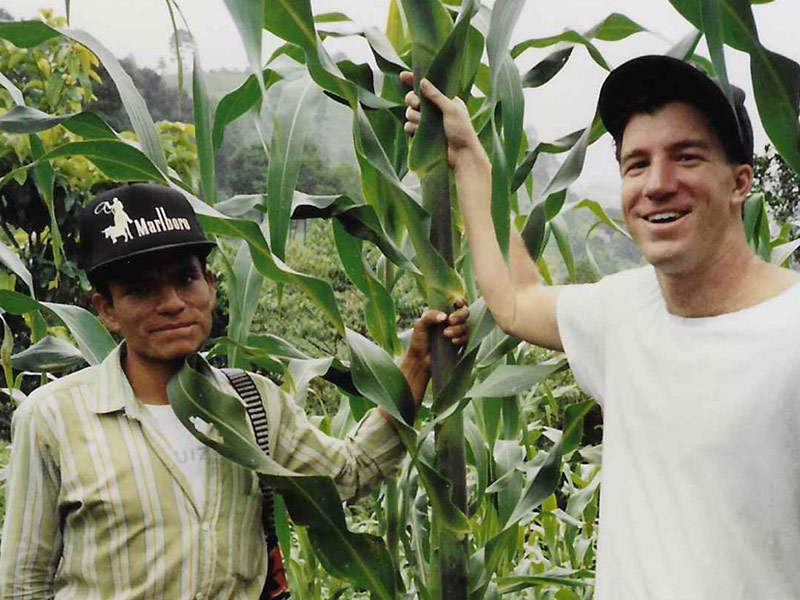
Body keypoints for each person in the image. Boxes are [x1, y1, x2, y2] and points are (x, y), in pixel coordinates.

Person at [402, 55, 800, 599]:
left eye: (686, 156)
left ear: (739, 183)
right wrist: (471, 160)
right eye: (636, 164)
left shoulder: (790, 331)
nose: (658, 184)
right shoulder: (623, 311)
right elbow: (515, 300)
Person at [0, 183, 469, 599]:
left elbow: (349, 473)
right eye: (141, 289)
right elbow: (24, 585)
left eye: (185, 278)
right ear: (106, 309)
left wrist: (416, 366)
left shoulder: (254, 404)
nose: (171, 303)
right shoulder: (53, 419)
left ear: (209, 284)